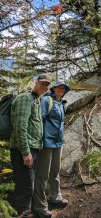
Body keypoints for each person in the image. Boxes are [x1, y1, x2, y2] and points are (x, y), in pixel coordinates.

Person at [10, 74, 51, 218]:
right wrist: (25, 152)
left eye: (47, 85)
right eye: (42, 84)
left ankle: (24, 210)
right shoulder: (25, 98)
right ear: (36, 83)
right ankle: (23, 212)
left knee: (28, 182)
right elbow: (20, 127)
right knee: (26, 185)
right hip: (22, 149)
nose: (45, 87)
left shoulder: (36, 100)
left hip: (32, 148)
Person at [32, 81, 70, 218]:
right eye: (59, 87)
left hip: (58, 143)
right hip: (46, 143)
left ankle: (55, 197)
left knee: (55, 172)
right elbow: (39, 119)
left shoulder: (61, 104)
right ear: (53, 89)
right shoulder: (47, 100)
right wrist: (39, 139)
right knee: (42, 175)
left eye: (63, 88)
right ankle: (39, 205)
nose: (61, 89)